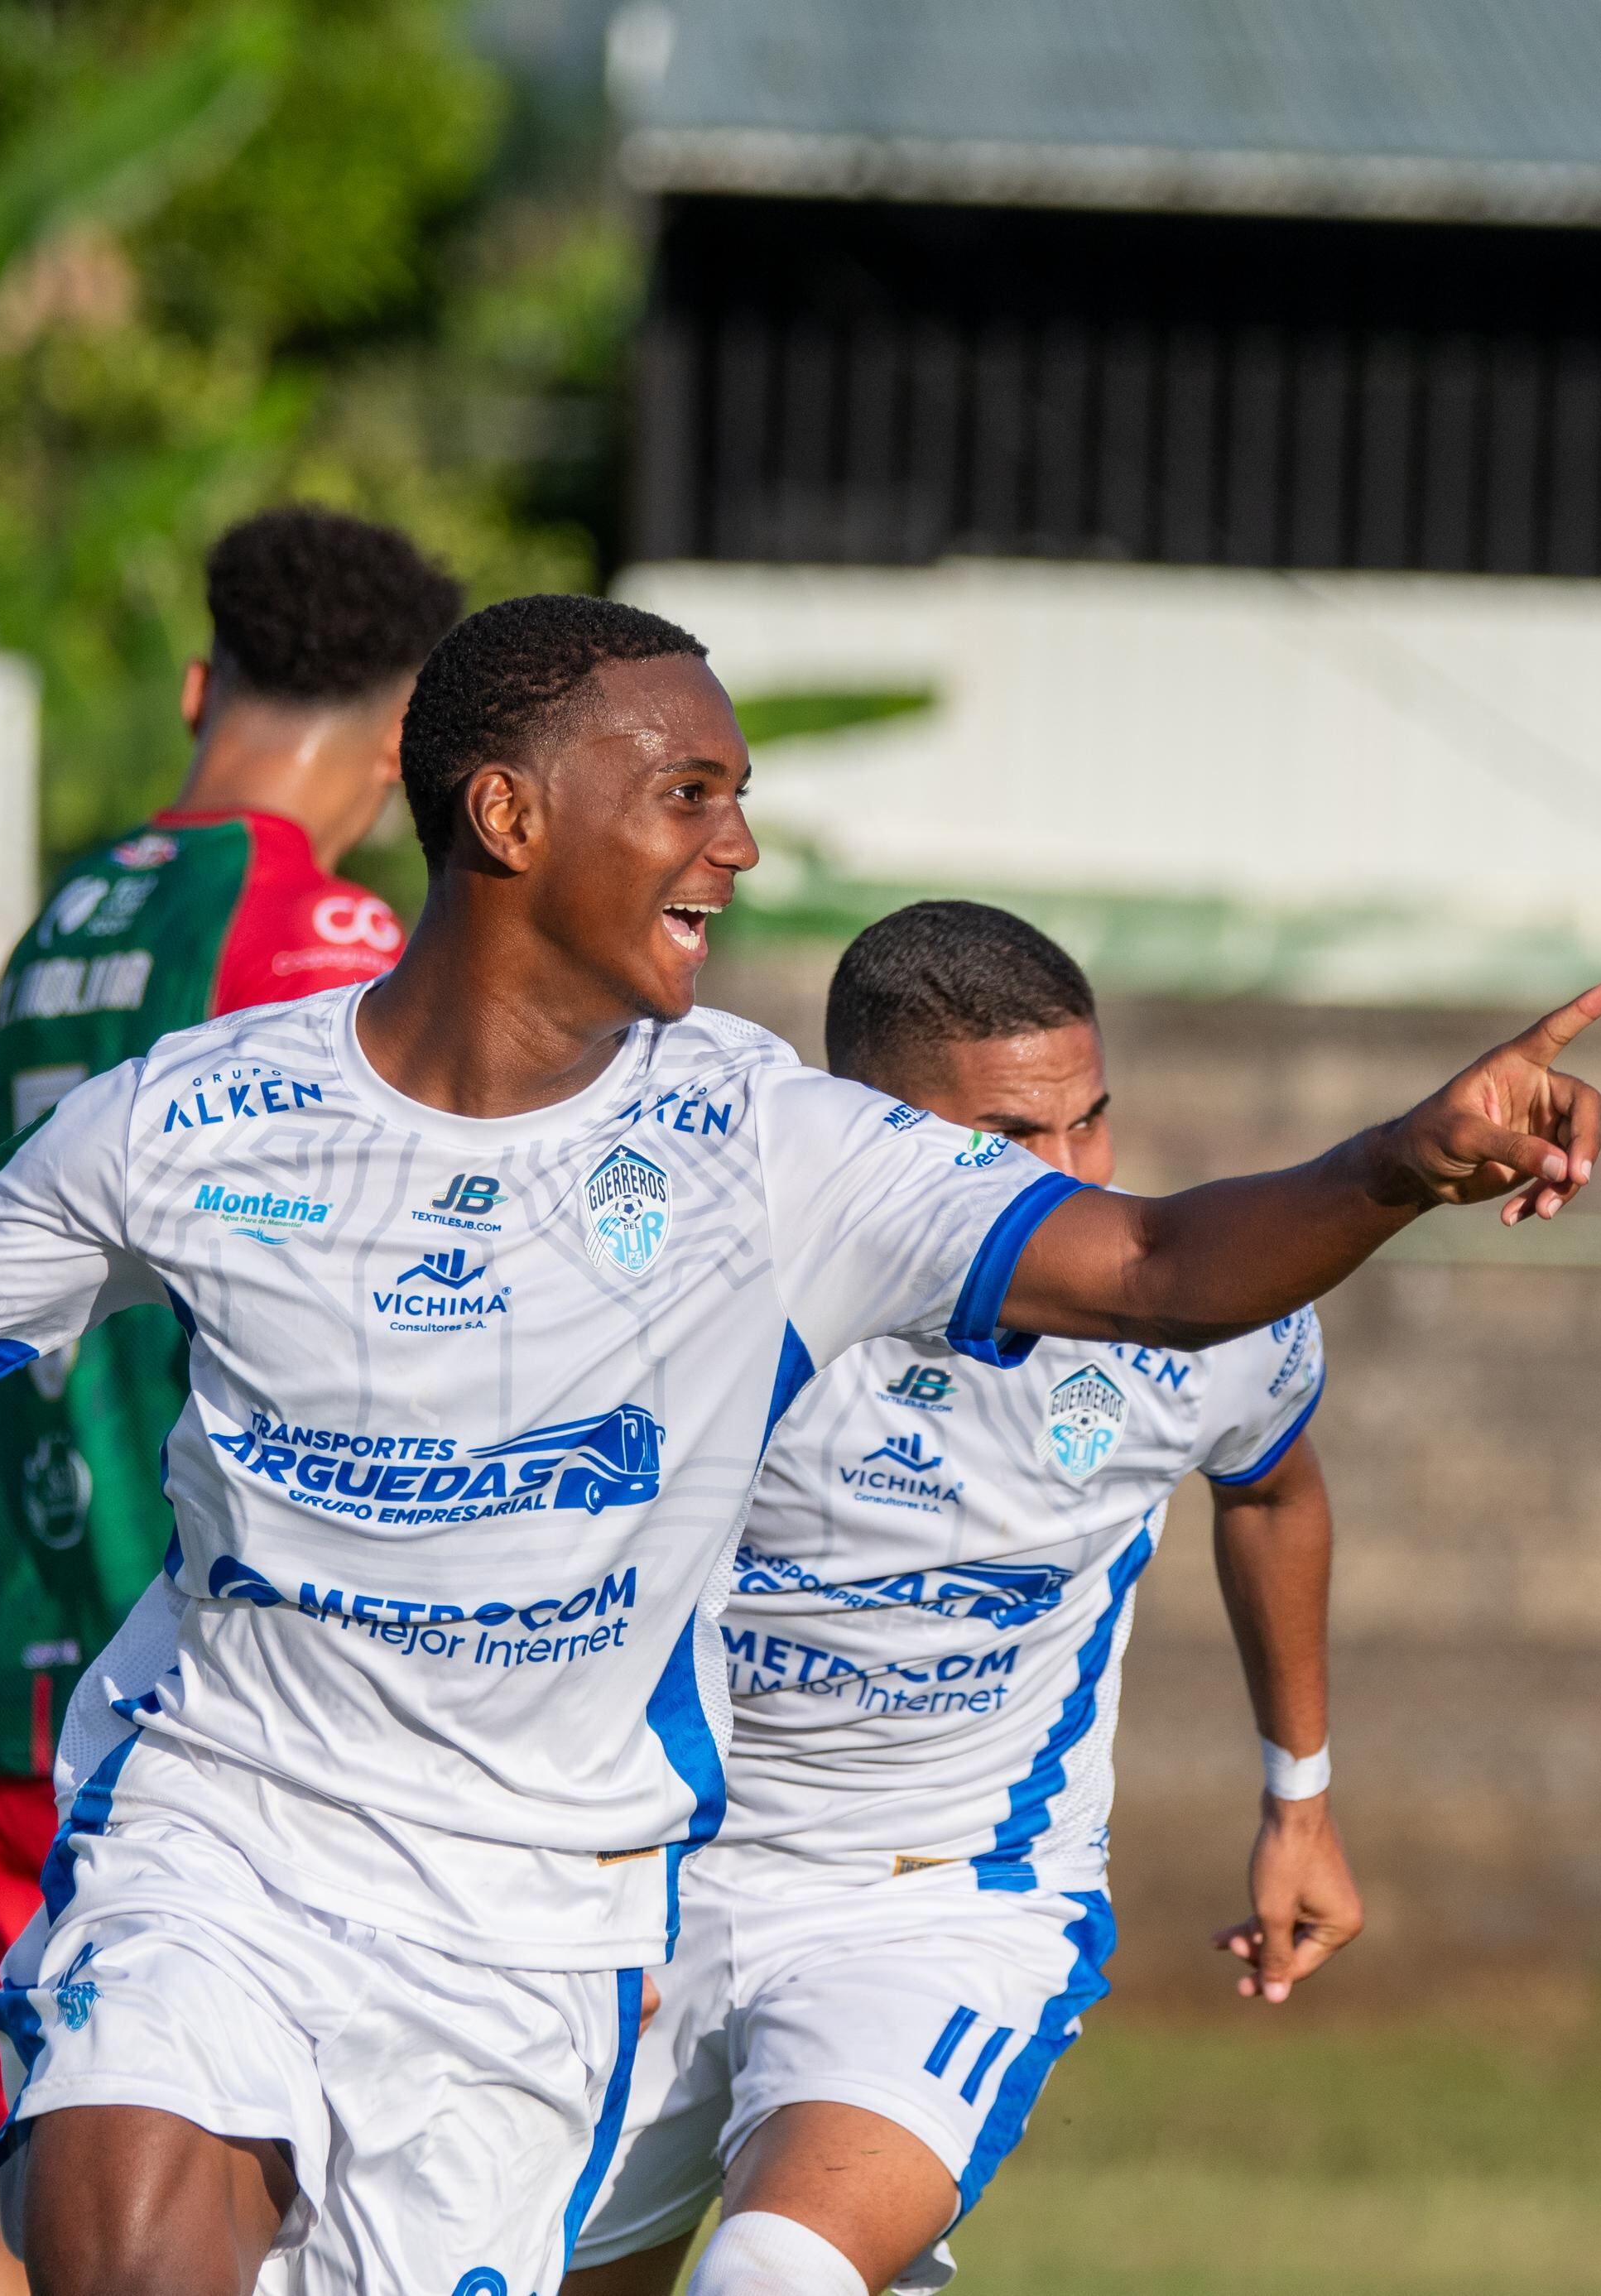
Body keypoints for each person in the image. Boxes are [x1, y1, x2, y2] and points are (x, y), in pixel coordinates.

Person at [0, 593, 1601, 2296]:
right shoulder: (209, 1113)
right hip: (234, 1812)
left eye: (741, 795)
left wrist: (1403, 1160)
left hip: (540, 1930)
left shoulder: (765, 1139)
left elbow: (1151, 1264)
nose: (738, 841)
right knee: (127, 2223)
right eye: (688, 789)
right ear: (508, 812)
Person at [566, 901, 1360, 2296]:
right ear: (857, 1139)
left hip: (940, 1903)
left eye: (1089, 1122)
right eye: (1006, 1144)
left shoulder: (1190, 1320)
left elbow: (1274, 1490)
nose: (1066, 1180)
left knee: (771, 2276)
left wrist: (1299, 1797)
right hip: (636, 1897)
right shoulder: (702, 1298)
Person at [0, 507, 462, 2296]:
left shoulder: (65, 914)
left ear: (196, 687)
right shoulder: (320, 934)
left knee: (51, 2204)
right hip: (213, 1696)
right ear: (407, 750)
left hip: (31, 1626)